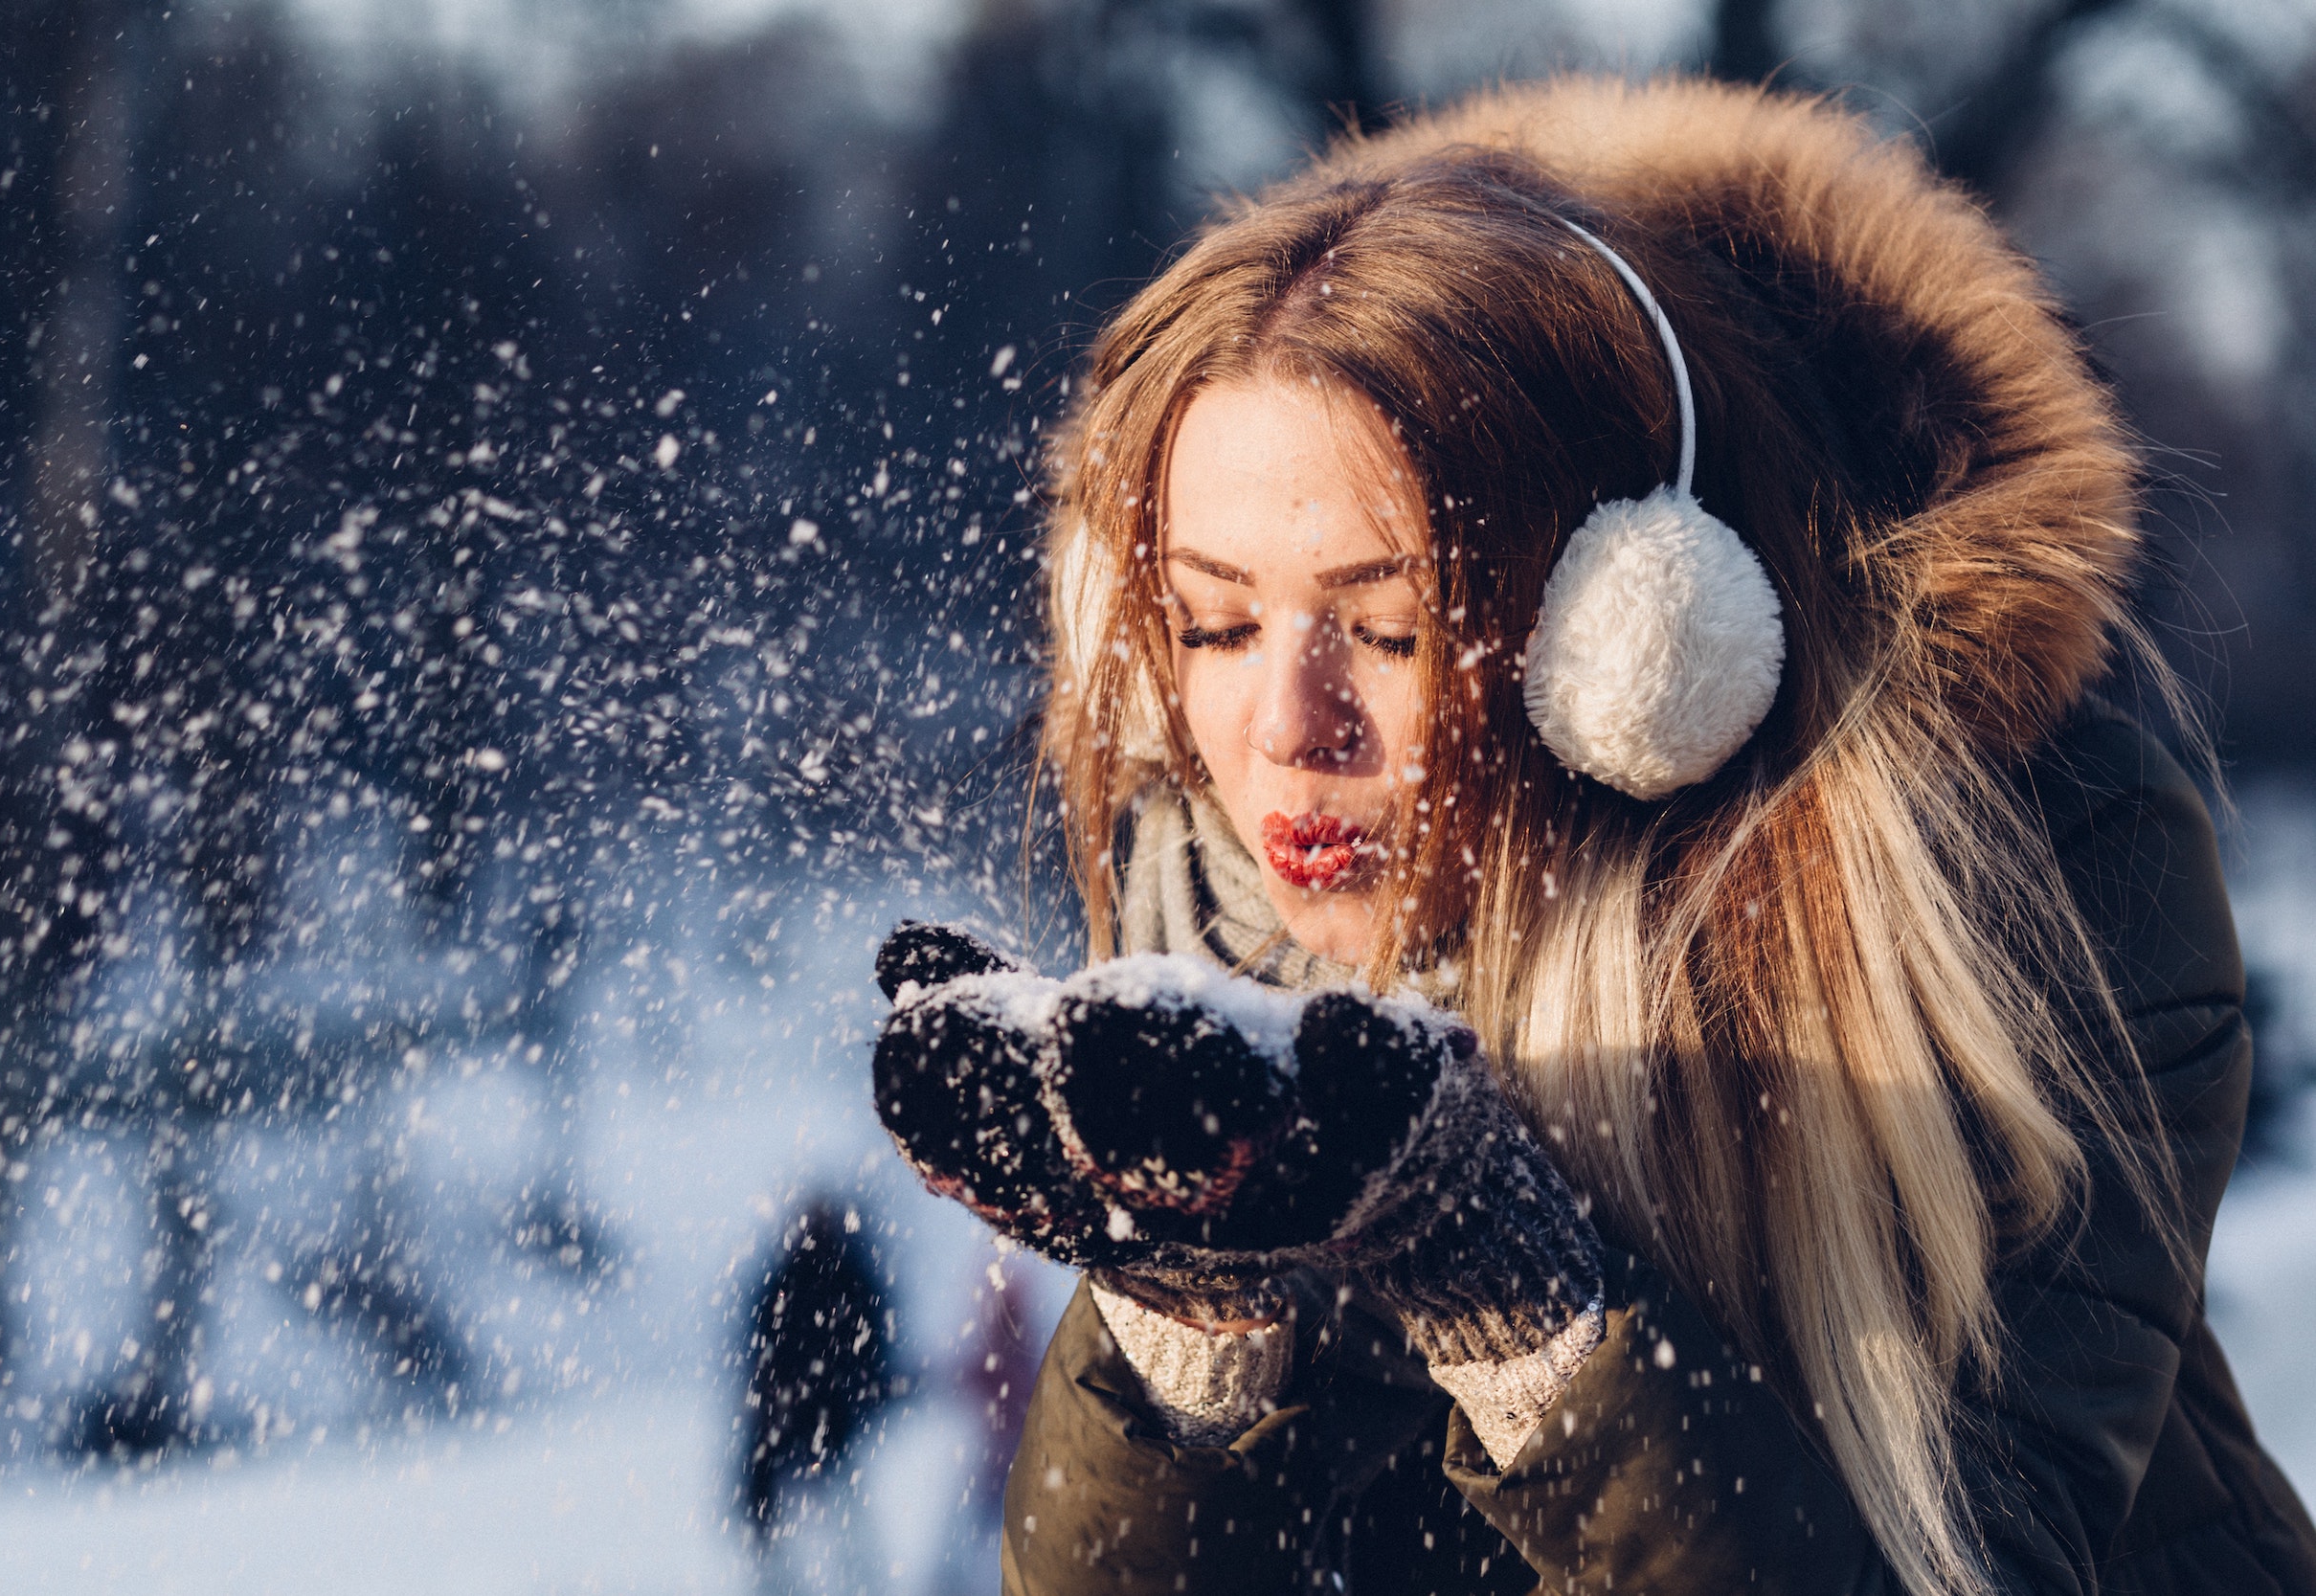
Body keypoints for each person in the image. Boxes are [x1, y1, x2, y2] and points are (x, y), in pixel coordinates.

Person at [868, 76, 2316, 1595]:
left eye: (1386, 624)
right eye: (1215, 624)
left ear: (1632, 640)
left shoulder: (2033, 890)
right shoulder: (1216, 912)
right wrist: (1189, 1320)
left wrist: (1514, 1297)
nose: (1288, 728)